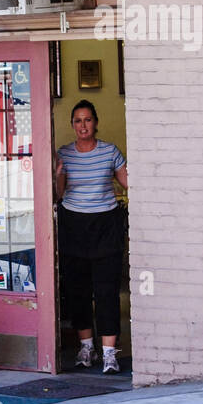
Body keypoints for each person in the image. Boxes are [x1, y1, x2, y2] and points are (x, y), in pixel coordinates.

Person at [55, 100, 128, 373]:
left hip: (105, 225)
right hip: (73, 224)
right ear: (72, 125)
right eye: (77, 121)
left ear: (95, 122)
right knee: (78, 291)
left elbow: (127, 181)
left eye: (87, 120)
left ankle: (109, 352)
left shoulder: (110, 151)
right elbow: (59, 194)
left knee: (107, 290)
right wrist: (57, 175)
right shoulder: (65, 154)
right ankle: (87, 348)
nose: (82, 125)